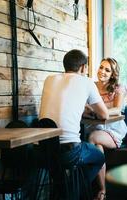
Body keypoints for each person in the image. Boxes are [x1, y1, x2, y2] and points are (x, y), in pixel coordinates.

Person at [39, 49, 109, 199]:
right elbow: (104, 114)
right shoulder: (87, 82)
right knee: (99, 158)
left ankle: (64, 190)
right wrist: (89, 110)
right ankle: (71, 191)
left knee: (64, 166)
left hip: (43, 151)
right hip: (69, 153)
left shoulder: (49, 79)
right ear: (83, 67)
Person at [85, 58, 127, 200]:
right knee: (97, 144)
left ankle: (87, 182)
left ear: (112, 74)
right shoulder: (90, 86)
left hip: (114, 129)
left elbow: (117, 109)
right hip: (95, 126)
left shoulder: (118, 88)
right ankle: (102, 190)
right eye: (101, 67)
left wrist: (99, 112)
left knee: (92, 138)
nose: (102, 71)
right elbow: (84, 107)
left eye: (107, 70)